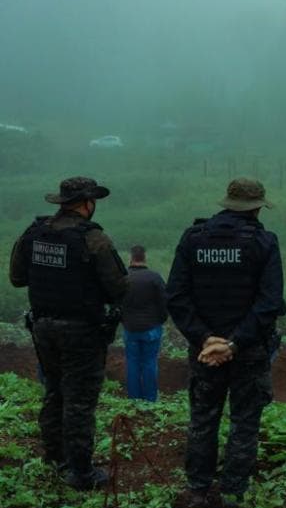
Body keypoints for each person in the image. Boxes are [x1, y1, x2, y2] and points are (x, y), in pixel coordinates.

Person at [166, 177, 286, 508]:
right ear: (258, 207)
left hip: (205, 353)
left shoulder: (193, 239)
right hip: (249, 351)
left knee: (203, 418)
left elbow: (176, 296)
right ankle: (233, 493)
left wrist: (205, 339)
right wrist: (234, 344)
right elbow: (269, 302)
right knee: (245, 421)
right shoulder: (264, 242)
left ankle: (198, 490)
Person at [8, 177, 128, 490]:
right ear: (88, 203)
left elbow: (17, 278)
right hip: (82, 330)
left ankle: (54, 457)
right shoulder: (93, 238)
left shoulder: (35, 232)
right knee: (79, 401)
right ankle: (81, 473)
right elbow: (118, 287)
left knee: (55, 391)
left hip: (43, 327)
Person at [121, 245, 168, 402]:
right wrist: (160, 320)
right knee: (149, 363)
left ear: (131, 258)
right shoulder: (154, 278)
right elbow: (164, 302)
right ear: (144, 258)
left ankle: (134, 399)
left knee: (132, 363)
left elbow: (117, 302)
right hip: (151, 328)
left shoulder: (124, 278)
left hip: (130, 328)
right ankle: (150, 400)